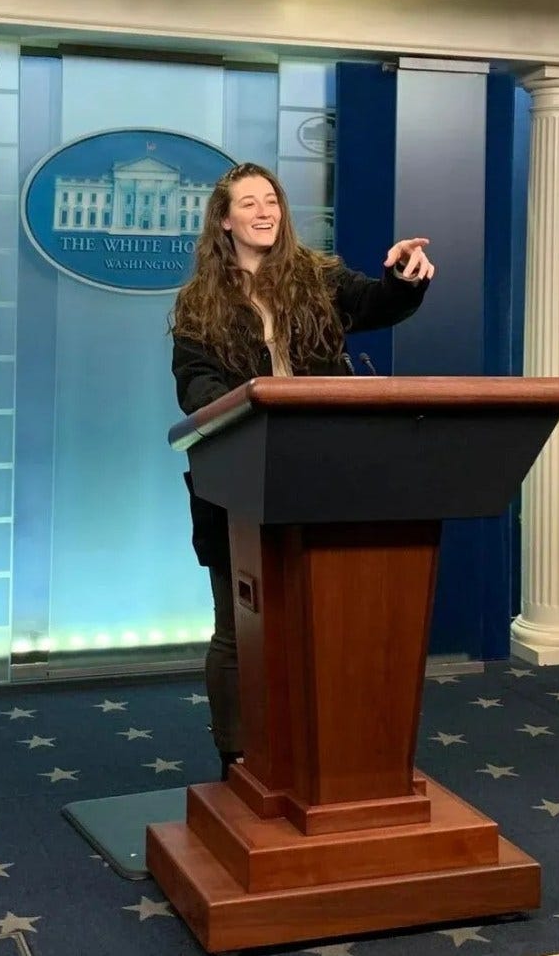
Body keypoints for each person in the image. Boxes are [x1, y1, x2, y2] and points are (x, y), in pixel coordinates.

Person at [170, 162, 435, 781]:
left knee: (327, 620)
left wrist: (403, 277)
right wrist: (257, 399)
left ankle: (329, 746)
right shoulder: (198, 302)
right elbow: (196, 385)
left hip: (326, 473)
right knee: (240, 628)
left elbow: (379, 303)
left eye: (272, 201)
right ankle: (239, 756)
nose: (264, 212)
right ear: (224, 219)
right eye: (249, 203)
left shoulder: (319, 277)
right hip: (237, 482)